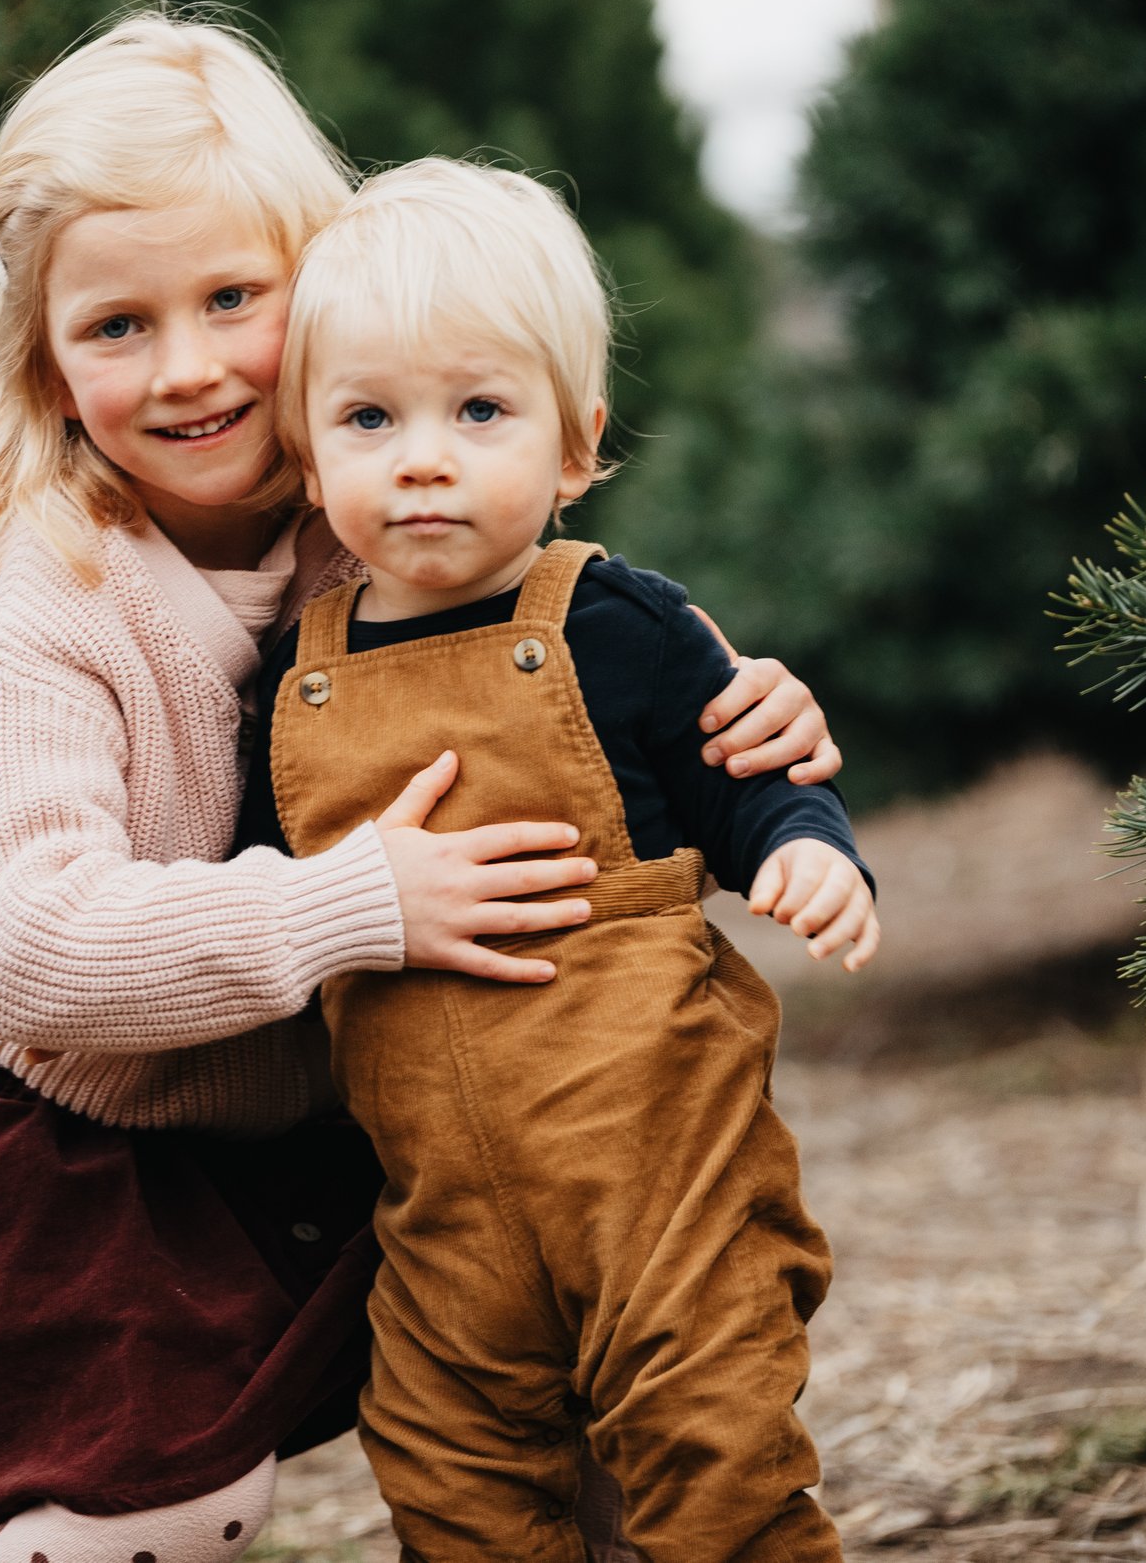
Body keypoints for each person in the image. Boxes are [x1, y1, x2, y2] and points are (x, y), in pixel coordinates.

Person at [0, 12, 845, 1563]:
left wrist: (750, 718)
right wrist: (357, 901)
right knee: (146, 1523)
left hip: (329, 1084)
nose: (189, 366)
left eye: (233, 299)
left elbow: (589, 650)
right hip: (72, 1122)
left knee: (570, 1387)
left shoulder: (369, 494)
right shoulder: (53, 616)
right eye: (118, 325)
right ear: (48, 365)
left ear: (318, 298)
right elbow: (25, 948)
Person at [240, 157, 879, 1563]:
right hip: (438, 1215)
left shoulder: (618, 625)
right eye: (369, 417)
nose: (424, 455)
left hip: (657, 1174)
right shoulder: (293, 680)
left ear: (576, 444)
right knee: (451, 1482)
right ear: (308, 449)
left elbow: (753, 771)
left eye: (480, 411)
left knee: (716, 1455)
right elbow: (255, 898)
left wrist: (814, 851)